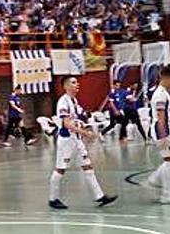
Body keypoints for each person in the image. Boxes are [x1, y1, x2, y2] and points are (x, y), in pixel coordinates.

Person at [48, 76, 118, 210]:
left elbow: (80, 118)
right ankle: (53, 198)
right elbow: (66, 123)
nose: (77, 84)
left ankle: (100, 196)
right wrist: (85, 133)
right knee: (60, 169)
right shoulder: (63, 102)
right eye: (73, 83)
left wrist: (86, 127)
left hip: (77, 139)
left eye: (77, 82)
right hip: (67, 140)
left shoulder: (74, 100)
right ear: (66, 86)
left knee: (88, 166)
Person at [146, 66, 170, 204]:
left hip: (167, 128)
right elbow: (160, 117)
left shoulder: (163, 93)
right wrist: (163, 136)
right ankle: (166, 195)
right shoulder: (160, 95)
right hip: (161, 130)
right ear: (166, 78)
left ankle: (154, 179)